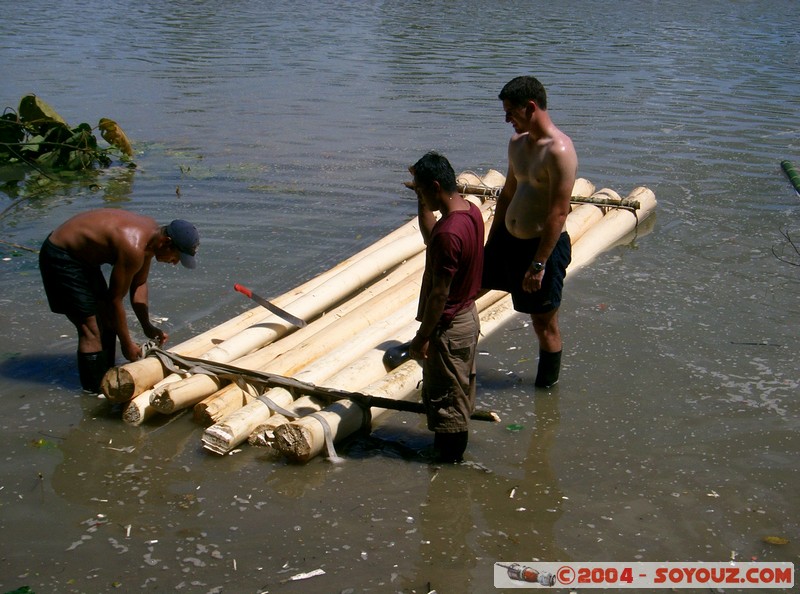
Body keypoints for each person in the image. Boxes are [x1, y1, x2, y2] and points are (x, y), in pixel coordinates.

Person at [482, 76, 577, 388]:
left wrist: (539, 264)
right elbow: (508, 194)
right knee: (469, 288)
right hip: (507, 241)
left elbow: (558, 213)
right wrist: (491, 244)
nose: (507, 119)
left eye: (511, 112)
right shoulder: (517, 144)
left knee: (544, 322)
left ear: (531, 107)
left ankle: (546, 389)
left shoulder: (560, 151)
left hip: (540, 249)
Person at [38, 209, 199, 393]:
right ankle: (93, 394)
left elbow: (139, 283)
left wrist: (147, 325)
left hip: (83, 259)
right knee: (91, 329)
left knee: (107, 321)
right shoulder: (134, 247)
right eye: (177, 256)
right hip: (61, 256)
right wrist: (127, 344)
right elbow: (114, 301)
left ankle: (106, 378)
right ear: (167, 243)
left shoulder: (151, 239)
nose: (175, 262)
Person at [407, 151, 485, 463]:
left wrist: (422, 336)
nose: (422, 197)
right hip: (467, 318)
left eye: (423, 191)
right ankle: (450, 464)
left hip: (448, 327)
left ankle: (447, 471)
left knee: (447, 404)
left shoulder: (449, 234)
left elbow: (439, 295)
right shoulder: (470, 212)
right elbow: (432, 235)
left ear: (436, 186)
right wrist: (418, 196)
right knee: (459, 396)